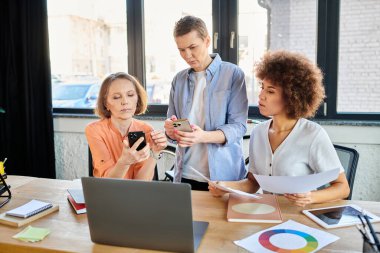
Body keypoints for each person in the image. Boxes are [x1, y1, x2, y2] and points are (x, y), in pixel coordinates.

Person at [209, 50, 350, 206]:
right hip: (268, 213)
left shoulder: (313, 134)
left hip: (299, 218)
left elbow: (343, 188)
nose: (261, 95)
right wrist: (226, 186)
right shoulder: (258, 132)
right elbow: (252, 183)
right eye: (262, 87)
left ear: (291, 96)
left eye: (270, 91)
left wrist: (311, 197)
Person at [164, 15, 248, 191]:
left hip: (223, 177)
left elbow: (238, 127)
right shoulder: (178, 80)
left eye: (193, 47)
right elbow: (179, 126)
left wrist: (202, 136)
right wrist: (172, 129)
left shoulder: (233, 74)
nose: (187, 55)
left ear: (207, 40)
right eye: (181, 50)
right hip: (184, 174)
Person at [85, 72, 167, 180]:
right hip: (108, 194)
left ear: (137, 98)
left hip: (137, 194)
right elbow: (107, 184)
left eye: (130, 95)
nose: (125, 101)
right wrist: (124, 162)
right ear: (106, 103)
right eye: (116, 97)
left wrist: (155, 153)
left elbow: (141, 183)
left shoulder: (146, 130)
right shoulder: (95, 130)